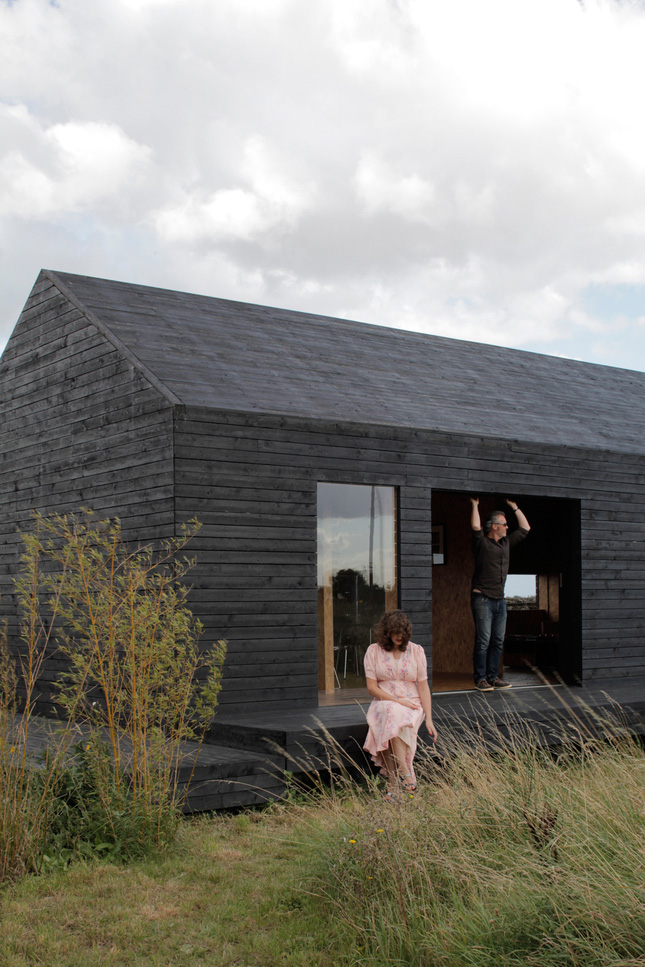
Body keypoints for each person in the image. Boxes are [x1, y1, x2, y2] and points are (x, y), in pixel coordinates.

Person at [363, 610, 437, 801]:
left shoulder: (416, 651)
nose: (399, 636)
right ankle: (406, 773)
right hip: (383, 700)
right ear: (386, 632)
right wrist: (396, 701)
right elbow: (372, 688)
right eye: (395, 632)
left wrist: (429, 718)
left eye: (403, 632)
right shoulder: (373, 651)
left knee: (391, 717)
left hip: (412, 703)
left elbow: (423, 686)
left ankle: (393, 785)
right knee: (390, 711)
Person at [469, 497, 531, 692]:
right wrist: (475, 505)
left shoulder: (506, 543)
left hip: (500, 600)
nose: (507, 527)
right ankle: (480, 679)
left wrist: (514, 508)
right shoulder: (482, 543)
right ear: (494, 526)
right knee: (483, 641)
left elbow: (525, 528)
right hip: (482, 599)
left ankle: (493, 677)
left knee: (497, 640)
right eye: (504, 524)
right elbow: (476, 526)